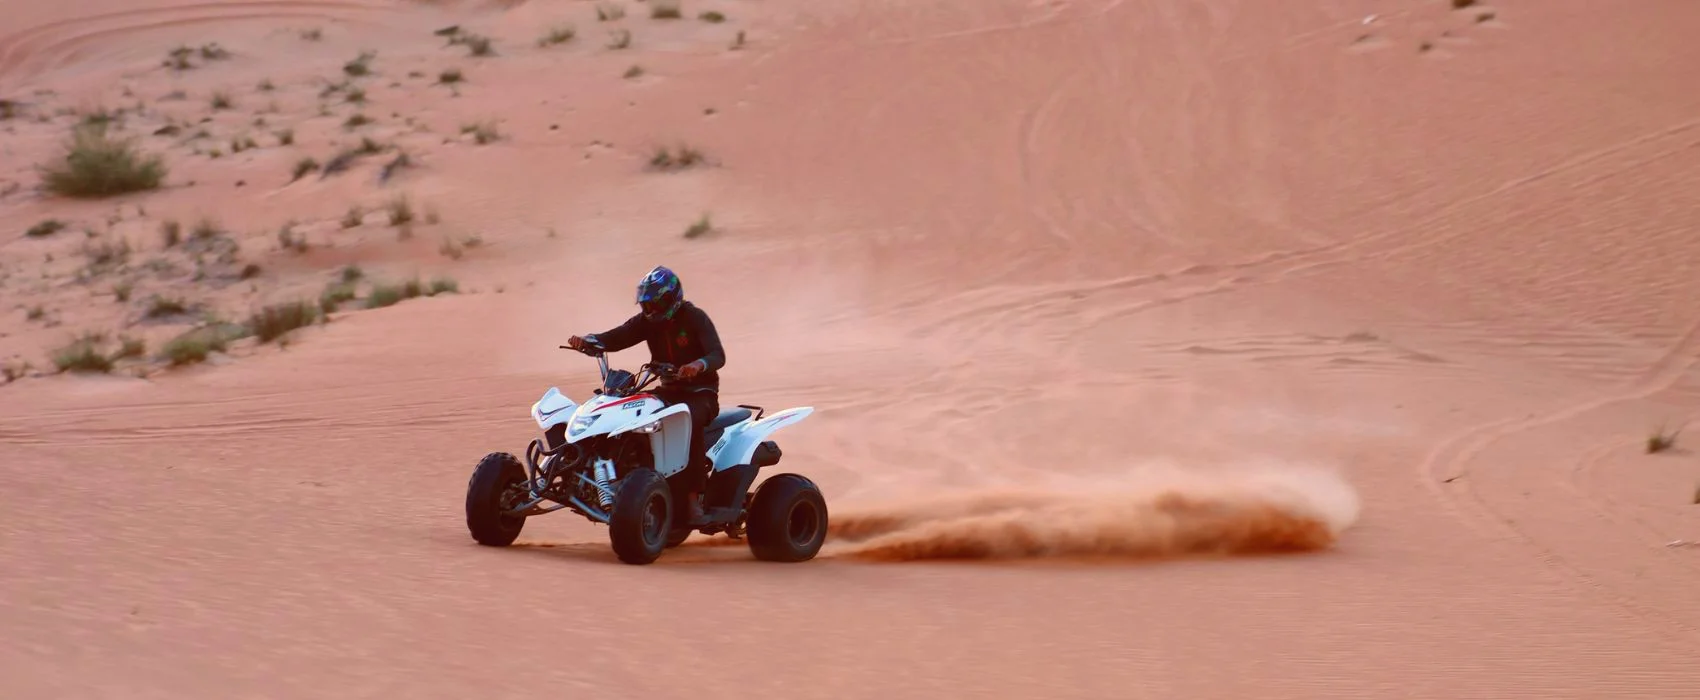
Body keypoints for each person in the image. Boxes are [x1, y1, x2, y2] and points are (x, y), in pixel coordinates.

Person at [566, 265, 724, 527]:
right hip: (666, 392)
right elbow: (619, 336)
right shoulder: (647, 322)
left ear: (670, 299)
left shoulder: (695, 318)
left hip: (701, 395)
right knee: (629, 414)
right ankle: (623, 475)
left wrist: (698, 365)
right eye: (646, 305)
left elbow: (718, 355)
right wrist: (590, 340)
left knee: (687, 423)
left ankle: (693, 500)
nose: (649, 311)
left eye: (654, 304)